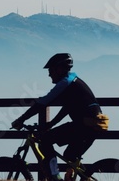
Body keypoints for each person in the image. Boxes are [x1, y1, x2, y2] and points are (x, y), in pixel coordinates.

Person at [11, 53, 108, 181]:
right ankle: (85, 177)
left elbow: (42, 103)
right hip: (92, 125)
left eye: (51, 70)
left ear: (59, 69)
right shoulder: (73, 82)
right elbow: (67, 108)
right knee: (70, 155)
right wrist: (50, 124)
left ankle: (54, 177)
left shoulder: (65, 83)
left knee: (45, 141)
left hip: (86, 125)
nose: (49, 74)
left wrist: (21, 119)